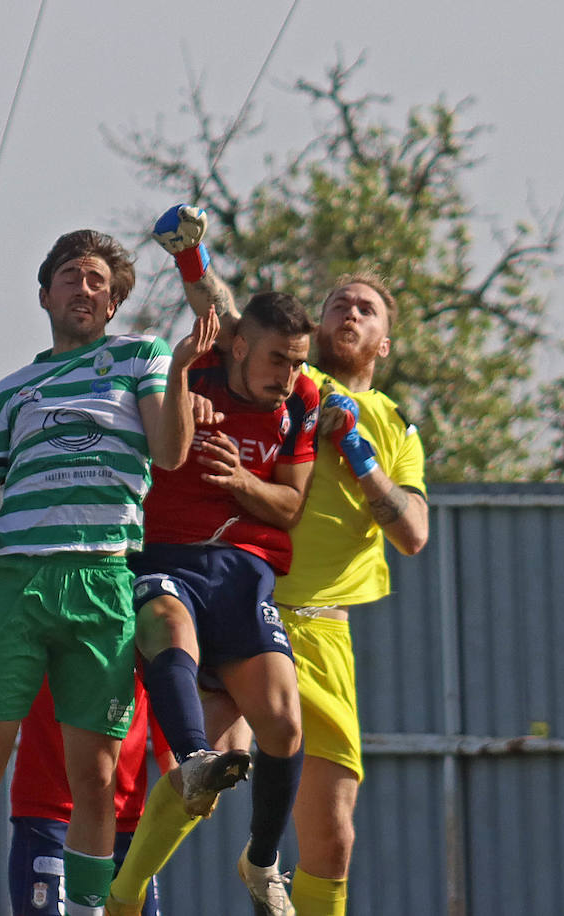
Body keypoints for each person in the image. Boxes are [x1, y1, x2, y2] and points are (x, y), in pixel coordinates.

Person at [0, 228, 217, 916]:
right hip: (17, 583)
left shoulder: (139, 359)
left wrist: (179, 373)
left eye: (98, 281)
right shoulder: (7, 393)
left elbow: (170, 453)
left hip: (102, 582)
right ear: (45, 293)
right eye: (71, 276)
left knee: (94, 779)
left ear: (115, 303)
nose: (84, 289)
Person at [109, 206, 320, 916]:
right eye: (276, 360)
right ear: (236, 347)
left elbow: (289, 506)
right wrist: (189, 258)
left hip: (242, 577)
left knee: (283, 727)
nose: (289, 376)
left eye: (298, 362)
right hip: (168, 562)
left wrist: (241, 484)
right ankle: (131, 884)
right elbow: (215, 306)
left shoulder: (302, 405)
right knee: (167, 630)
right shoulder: (193, 368)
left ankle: (261, 864)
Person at [273, 273, 429, 915]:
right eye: (338, 303)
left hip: (327, 635)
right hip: (252, 615)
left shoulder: (396, 424)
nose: (350, 313)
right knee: (201, 777)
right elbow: (226, 323)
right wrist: (193, 260)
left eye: (366, 309)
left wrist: (360, 456)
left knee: (333, 840)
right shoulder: (291, 380)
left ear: (384, 343)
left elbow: (413, 533)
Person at [6, 675, 172, 915]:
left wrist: (180, 772)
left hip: (127, 822)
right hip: (52, 815)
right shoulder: (37, 638)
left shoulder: (143, 638)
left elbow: (169, 688)